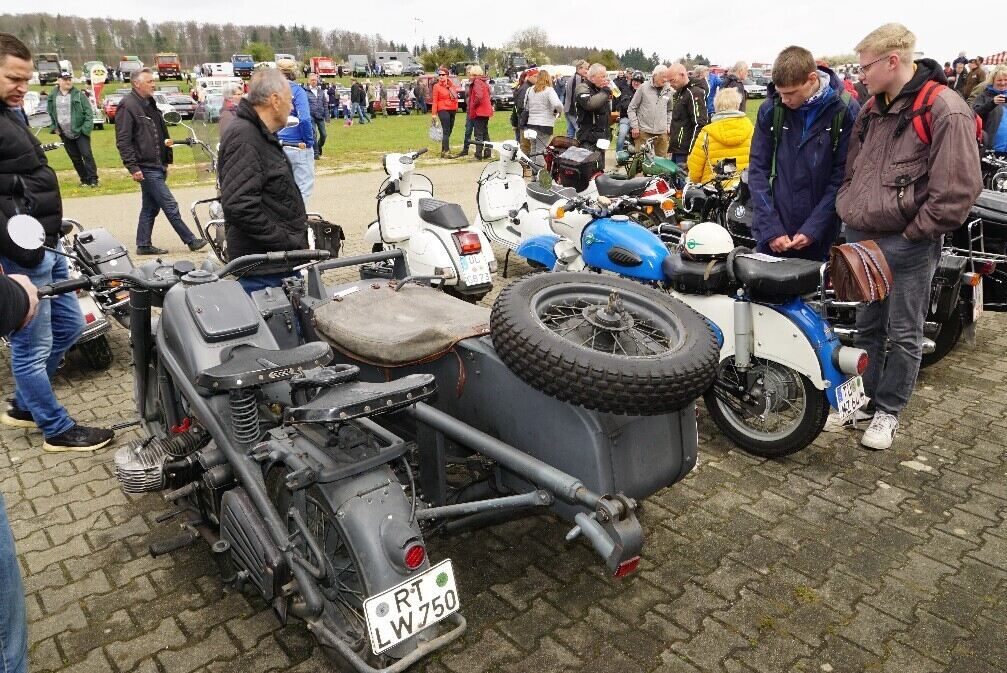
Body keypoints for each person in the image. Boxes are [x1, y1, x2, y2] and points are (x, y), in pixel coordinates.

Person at [836, 24, 982, 449]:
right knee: (868, 326)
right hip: (864, 239)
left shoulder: (943, 108)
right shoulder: (871, 109)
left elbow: (957, 189)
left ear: (892, 61)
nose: (861, 75)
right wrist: (849, 205)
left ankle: (888, 412)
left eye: (866, 67)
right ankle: (864, 400)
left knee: (903, 332)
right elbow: (854, 168)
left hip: (908, 242)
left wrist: (915, 234)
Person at [0, 31, 116, 457]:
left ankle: (26, 403)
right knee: (32, 347)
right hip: (20, 254)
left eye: (27, 79)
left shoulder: (10, 113)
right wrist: (16, 251)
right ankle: (55, 427)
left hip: (43, 243)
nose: (23, 87)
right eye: (14, 77)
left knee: (69, 326)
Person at [748, 46, 859, 262]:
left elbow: (843, 178)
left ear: (811, 78)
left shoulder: (845, 111)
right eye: (780, 93)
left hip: (819, 237)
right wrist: (771, 228)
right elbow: (757, 169)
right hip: (771, 233)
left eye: (790, 93)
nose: (785, 99)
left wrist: (813, 228)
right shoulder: (771, 109)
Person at [217, 69, 308, 294]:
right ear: (275, 100)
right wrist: (285, 240)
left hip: (276, 263)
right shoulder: (245, 137)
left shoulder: (259, 134)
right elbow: (240, 206)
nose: (292, 106)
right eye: (290, 99)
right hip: (264, 270)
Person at [115, 68, 206, 256]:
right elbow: (123, 140)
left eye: (153, 81)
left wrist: (166, 161)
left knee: (150, 207)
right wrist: (133, 167)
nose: (153, 84)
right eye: (149, 81)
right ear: (136, 83)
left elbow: (162, 134)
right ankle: (190, 240)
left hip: (157, 164)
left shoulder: (150, 103)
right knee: (169, 204)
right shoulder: (128, 105)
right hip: (145, 166)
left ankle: (143, 244)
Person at [687, 87, 754, 184]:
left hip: (713, 189)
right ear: (737, 104)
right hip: (743, 187)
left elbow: (695, 170)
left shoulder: (706, 134)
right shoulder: (751, 129)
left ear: (716, 105)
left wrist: (696, 183)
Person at [46, 70, 98, 187]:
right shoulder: (53, 95)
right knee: (75, 158)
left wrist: (85, 129)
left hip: (80, 131)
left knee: (87, 155)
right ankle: (84, 180)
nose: (68, 82)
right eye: (65, 80)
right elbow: (50, 112)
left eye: (69, 79)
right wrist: (55, 127)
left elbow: (89, 113)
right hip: (64, 132)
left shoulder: (79, 94)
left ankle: (93, 180)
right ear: (59, 81)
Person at [276, 60, 316, 204]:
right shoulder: (297, 91)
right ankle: (296, 221)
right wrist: (309, 141)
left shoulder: (271, 92)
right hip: (297, 144)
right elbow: (304, 118)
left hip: (277, 145)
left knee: (281, 188)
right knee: (303, 187)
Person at [667, 63, 710, 166]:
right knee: (673, 180)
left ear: (682, 75)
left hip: (685, 151)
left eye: (672, 80)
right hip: (677, 149)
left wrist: (691, 151)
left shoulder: (694, 93)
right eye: (669, 81)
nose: (671, 84)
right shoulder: (680, 92)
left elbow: (700, 124)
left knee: (682, 181)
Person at [628, 65, 673, 158]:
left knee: (662, 163)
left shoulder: (669, 90)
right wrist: (635, 126)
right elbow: (631, 108)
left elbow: (670, 110)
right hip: (643, 131)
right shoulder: (643, 88)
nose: (665, 79)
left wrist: (668, 125)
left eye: (666, 77)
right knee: (640, 161)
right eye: (663, 76)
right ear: (655, 75)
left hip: (662, 132)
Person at [574, 63, 614, 168]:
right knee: (589, 170)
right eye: (602, 76)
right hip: (588, 138)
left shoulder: (600, 89)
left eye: (606, 76)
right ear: (592, 78)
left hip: (601, 137)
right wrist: (605, 92)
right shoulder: (582, 87)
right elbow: (589, 104)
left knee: (600, 171)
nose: (605, 79)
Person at [524, 69, 564, 170]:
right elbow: (557, 104)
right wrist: (559, 111)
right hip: (544, 124)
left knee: (534, 149)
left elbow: (526, 106)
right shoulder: (549, 90)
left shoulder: (530, 90)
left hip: (531, 123)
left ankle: (533, 173)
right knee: (541, 151)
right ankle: (539, 173)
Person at [972, 65, 1007, 155]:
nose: (1003, 83)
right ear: (993, 81)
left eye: (1005, 80)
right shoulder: (984, 96)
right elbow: (973, 114)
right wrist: (992, 103)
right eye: (999, 80)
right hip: (991, 151)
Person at [460, 65, 493, 159]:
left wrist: (473, 105)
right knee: (485, 132)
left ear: (474, 74)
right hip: (486, 111)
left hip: (480, 111)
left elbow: (479, 96)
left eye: (470, 74)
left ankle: (478, 154)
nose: (469, 76)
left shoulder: (477, 82)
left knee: (478, 134)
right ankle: (487, 153)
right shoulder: (484, 82)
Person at [430, 68, 459, 157]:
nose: (441, 76)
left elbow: (455, 98)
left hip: (452, 109)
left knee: (449, 130)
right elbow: (435, 100)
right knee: (446, 130)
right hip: (442, 108)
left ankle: (443, 150)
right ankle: (446, 151)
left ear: (447, 76)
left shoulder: (451, 85)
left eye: (443, 75)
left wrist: (456, 108)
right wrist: (434, 114)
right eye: (440, 75)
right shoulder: (436, 86)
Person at [616, 71, 644, 153]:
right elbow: (625, 105)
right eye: (634, 81)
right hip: (626, 118)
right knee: (622, 134)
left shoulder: (644, 92)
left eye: (638, 81)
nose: (636, 83)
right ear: (631, 81)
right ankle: (619, 155)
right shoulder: (626, 90)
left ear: (642, 83)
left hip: (640, 120)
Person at [304, 73, 329, 160]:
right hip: (310, 116)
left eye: (315, 80)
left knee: (324, 135)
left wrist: (327, 118)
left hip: (320, 116)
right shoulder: (305, 91)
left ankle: (319, 146)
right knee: (313, 134)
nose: (313, 81)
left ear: (317, 81)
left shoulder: (321, 92)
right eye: (312, 80)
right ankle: (316, 153)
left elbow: (325, 105)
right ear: (309, 81)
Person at [564, 60, 589, 138]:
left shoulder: (573, 78)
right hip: (572, 110)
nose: (587, 71)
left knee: (570, 133)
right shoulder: (577, 79)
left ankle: (569, 149)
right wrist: (576, 113)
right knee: (580, 131)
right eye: (586, 68)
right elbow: (576, 97)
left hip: (568, 109)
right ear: (580, 68)